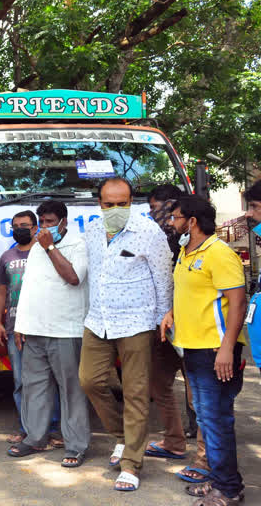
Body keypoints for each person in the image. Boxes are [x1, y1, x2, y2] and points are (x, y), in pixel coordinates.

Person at [79, 177, 173, 492]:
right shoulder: (92, 231)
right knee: (89, 380)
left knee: (135, 392)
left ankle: (131, 463)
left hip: (137, 321)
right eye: (110, 204)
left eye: (123, 204)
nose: (117, 209)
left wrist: (163, 319)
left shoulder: (149, 232)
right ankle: (123, 435)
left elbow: (163, 279)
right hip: (98, 319)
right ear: (99, 204)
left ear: (132, 202)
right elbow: (93, 274)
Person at [162, 196, 247, 505]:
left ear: (192, 221)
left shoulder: (219, 254)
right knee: (207, 418)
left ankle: (228, 488)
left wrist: (226, 350)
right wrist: (171, 314)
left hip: (216, 351)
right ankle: (219, 480)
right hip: (194, 350)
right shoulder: (186, 253)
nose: (171, 223)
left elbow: (237, 304)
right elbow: (191, 295)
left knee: (216, 419)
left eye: (175, 217)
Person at [6, 201, 90, 467]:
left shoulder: (78, 244)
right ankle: (35, 438)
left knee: (71, 390)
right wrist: (21, 325)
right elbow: (28, 288)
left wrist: (50, 247)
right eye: (41, 222)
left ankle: (76, 445)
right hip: (34, 329)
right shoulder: (36, 249)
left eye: (50, 222)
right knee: (35, 387)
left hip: (66, 329)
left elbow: (74, 277)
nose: (44, 228)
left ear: (64, 222)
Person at [146, 186, 209, 483]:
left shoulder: (210, 251)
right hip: (168, 328)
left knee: (199, 397)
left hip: (198, 335)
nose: (165, 219)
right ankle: (173, 443)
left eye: (168, 213)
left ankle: (205, 459)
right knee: (158, 383)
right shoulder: (176, 247)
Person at [0, 210, 62, 447]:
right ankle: (26, 429)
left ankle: (52, 429)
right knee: (21, 381)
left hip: (42, 327)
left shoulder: (45, 253)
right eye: (15, 226)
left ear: (35, 228)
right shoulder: (6, 256)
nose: (19, 229)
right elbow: (1, 290)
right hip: (14, 328)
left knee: (48, 381)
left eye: (24, 225)